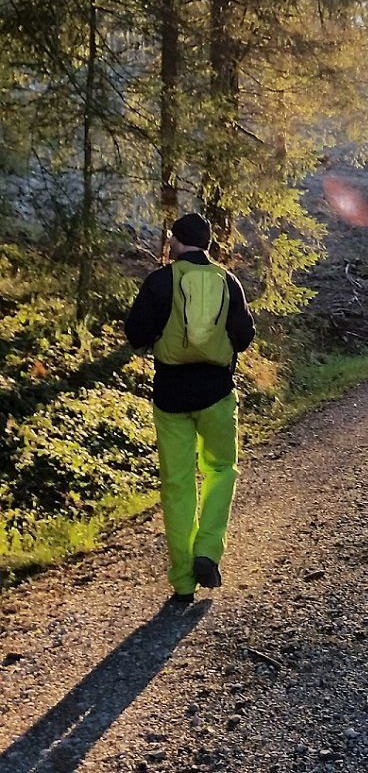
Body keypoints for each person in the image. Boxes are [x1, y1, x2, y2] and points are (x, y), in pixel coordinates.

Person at [125, 211, 255, 604]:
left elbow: (135, 335)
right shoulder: (227, 281)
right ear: (209, 245)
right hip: (216, 394)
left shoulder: (160, 281)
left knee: (178, 485)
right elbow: (245, 336)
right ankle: (208, 551)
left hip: (170, 398)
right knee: (220, 470)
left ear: (174, 241)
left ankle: (182, 581)